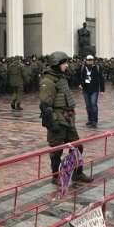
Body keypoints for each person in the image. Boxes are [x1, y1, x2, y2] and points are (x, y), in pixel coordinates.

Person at [39, 52, 93, 184]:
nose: (66, 65)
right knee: (57, 151)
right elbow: (45, 105)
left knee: (77, 147)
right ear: (57, 64)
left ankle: (77, 173)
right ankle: (56, 176)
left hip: (68, 119)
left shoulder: (61, 78)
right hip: (57, 120)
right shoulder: (48, 81)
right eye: (64, 63)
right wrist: (52, 124)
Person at [79, 55, 105, 128]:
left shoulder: (97, 68)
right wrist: (80, 83)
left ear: (93, 60)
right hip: (85, 89)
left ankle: (94, 121)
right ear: (86, 60)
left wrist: (102, 89)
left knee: (93, 104)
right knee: (88, 106)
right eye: (88, 60)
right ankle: (90, 120)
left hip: (94, 89)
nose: (89, 61)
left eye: (91, 60)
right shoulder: (83, 67)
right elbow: (80, 76)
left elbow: (101, 78)